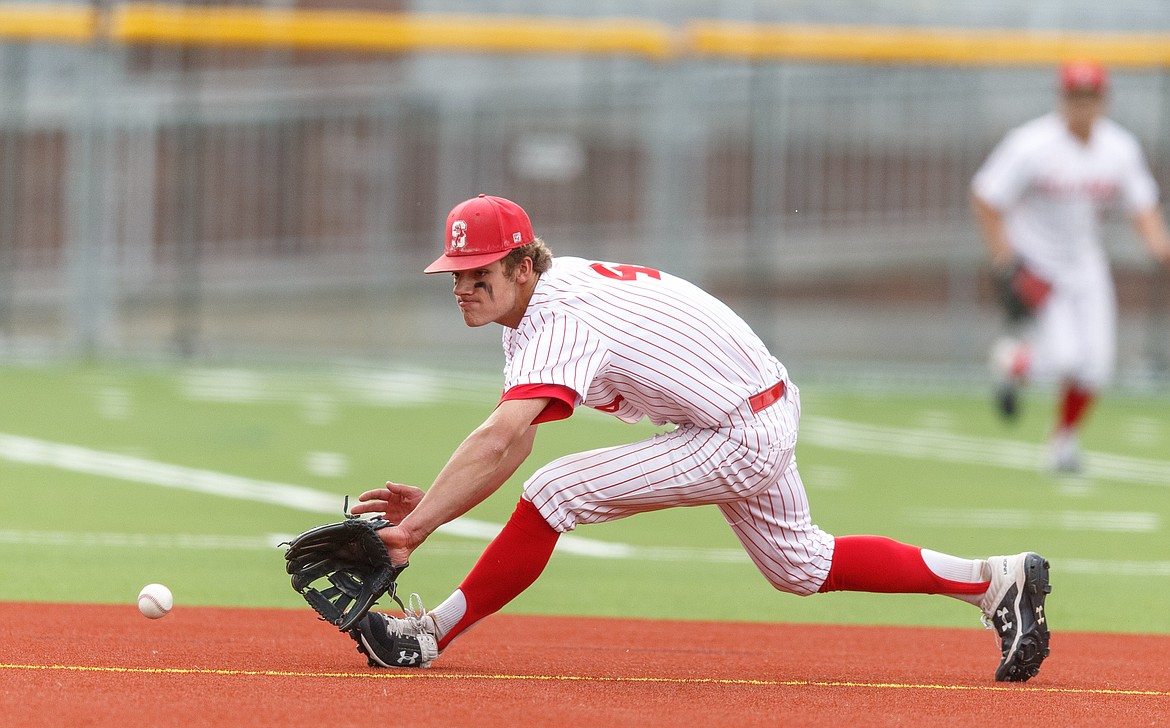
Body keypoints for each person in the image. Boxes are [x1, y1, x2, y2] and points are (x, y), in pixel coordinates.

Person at [346, 193, 1052, 681]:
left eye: (479, 273)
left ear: (523, 265)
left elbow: (503, 437)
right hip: (749, 405)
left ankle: (429, 634)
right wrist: (438, 502)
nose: (462, 286)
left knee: (554, 493)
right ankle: (997, 583)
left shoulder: (557, 317)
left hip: (740, 426)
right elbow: (517, 436)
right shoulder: (543, 302)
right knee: (799, 567)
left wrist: (418, 529)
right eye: (455, 275)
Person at [972, 59, 1170, 472]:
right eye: (1075, 97)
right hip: (1039, 264)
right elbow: (987, 196)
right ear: (1061, 99)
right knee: (1065, 360)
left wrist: (1158, 245)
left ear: (1103, 101)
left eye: (1090, 97)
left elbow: (1143, 204)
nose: (1082, 106)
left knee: (1096, 366)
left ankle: (1062, 442)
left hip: (1085, 263)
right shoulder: (1031, 143)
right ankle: (1017, 363)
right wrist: (1005, 261)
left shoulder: (1118, 147)